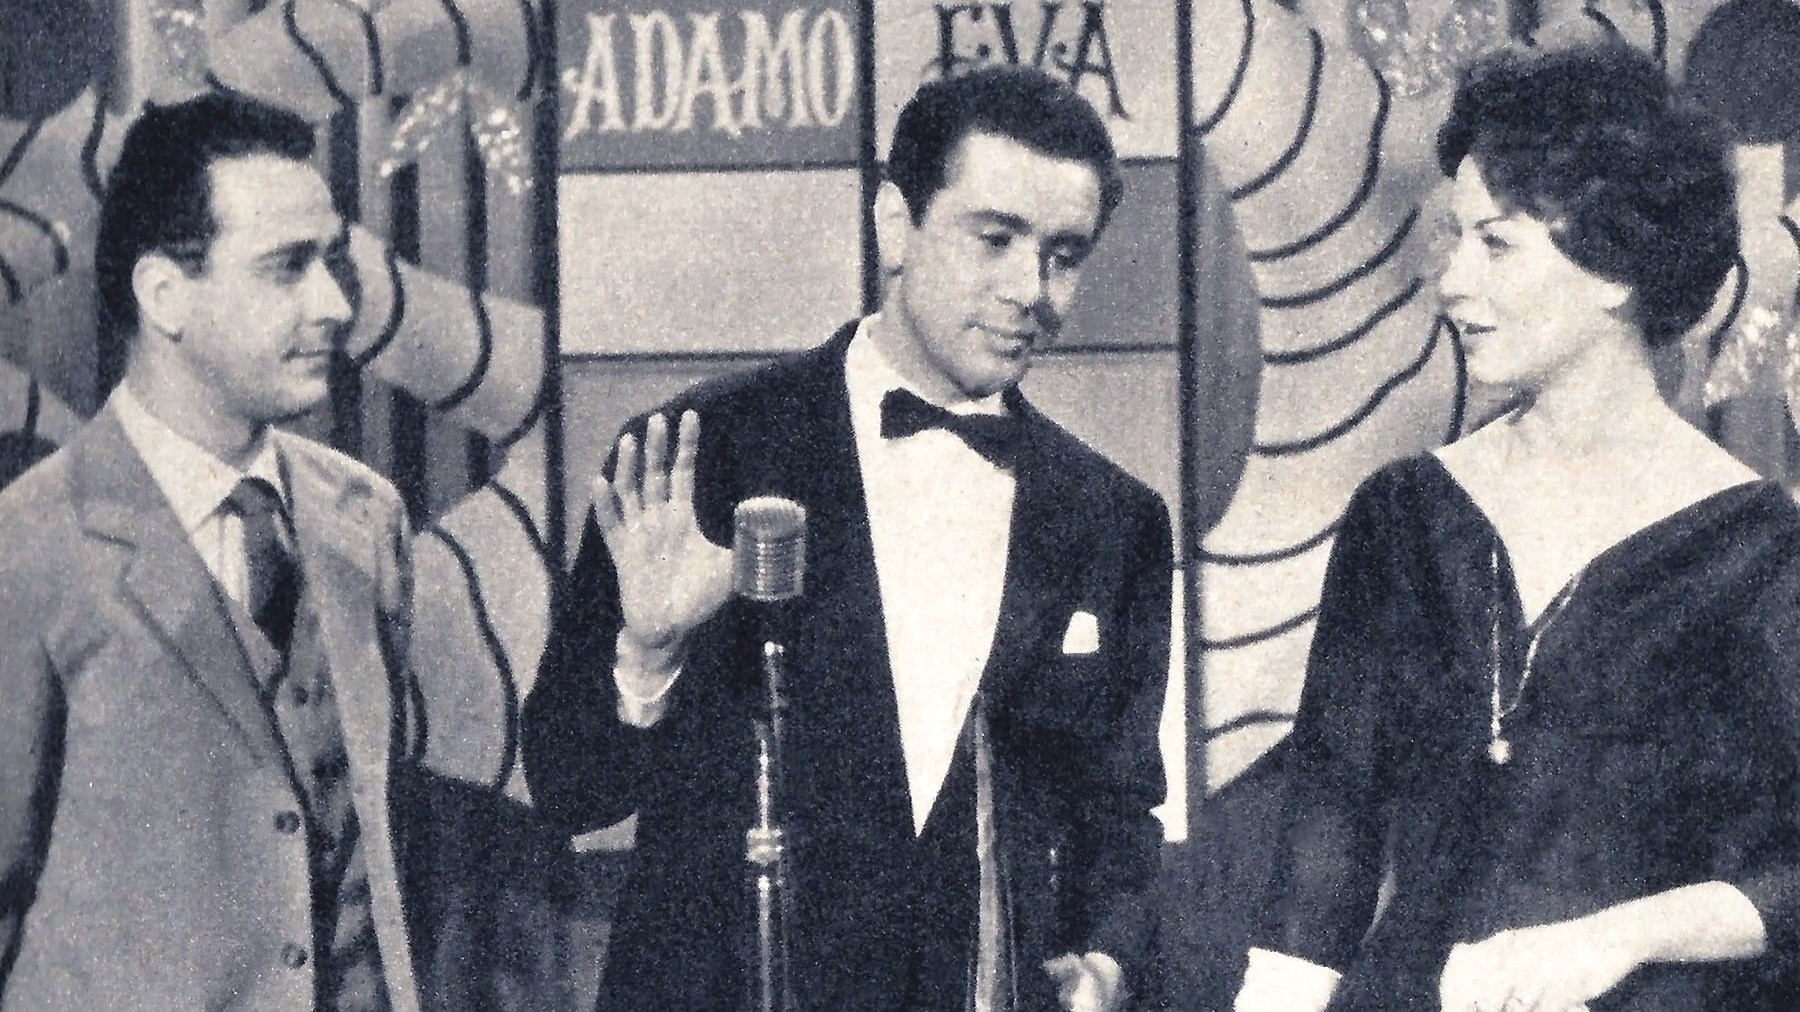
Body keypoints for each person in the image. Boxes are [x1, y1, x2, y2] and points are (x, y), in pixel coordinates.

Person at [523, 66, 1171, 1012]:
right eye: (994, 239)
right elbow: (567, 786)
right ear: (895, 224)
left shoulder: (1113, 517)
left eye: (1063, 255)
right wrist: (649, 654)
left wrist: (1107, 962)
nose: (1029, 289)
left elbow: (1120, 807)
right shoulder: (702, 451)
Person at [1232, 39, 1800, 1012]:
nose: (1453, 282)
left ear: (1615, 266)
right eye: (1457, 240)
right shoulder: (1405, 513)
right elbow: (1327, 836)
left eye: (1494, 244)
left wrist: (1618, 936)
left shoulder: (1760, 549)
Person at [0, 93, 424, 1011]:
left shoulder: (366, 520)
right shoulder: (26, 551)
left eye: (332, 262)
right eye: (287, 268)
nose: (334, 304)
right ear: (164, 295)